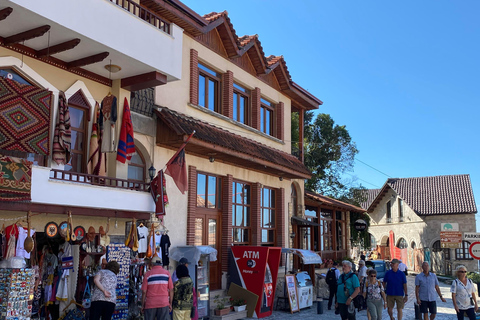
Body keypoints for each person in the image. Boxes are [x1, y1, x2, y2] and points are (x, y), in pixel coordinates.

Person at [142, 255, 174, 320]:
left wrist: (143, 305)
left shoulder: (148, 274)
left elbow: (144, 291)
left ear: (152, 264)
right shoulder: (167, 274)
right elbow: (171, 290)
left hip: (150, 304)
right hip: (164, 303)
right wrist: (170, 303)